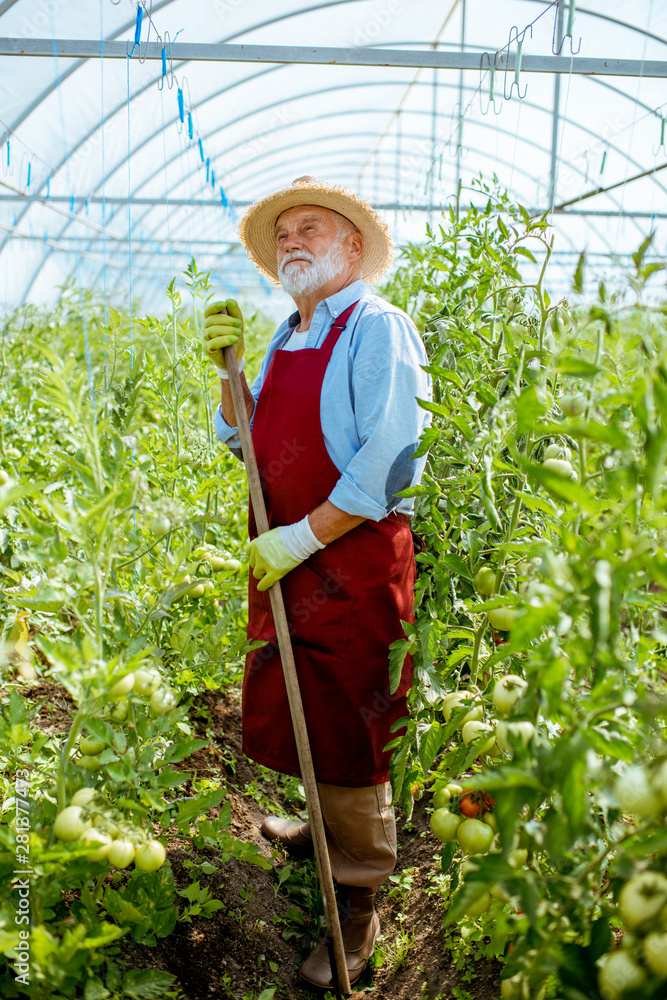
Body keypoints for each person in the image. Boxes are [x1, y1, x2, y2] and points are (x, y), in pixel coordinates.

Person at [202, 176, 431, 989]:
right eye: (283, 233)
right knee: (297, 684)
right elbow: (250, 440)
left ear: (353, 249)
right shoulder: (286, 334)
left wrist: (301, 537)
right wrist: (230, 379)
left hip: (349, 556)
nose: (291, 240)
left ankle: (358, 898)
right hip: (290, 553)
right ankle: (320, 826)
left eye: (310, 228)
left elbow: (392, 457)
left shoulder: (377, 328)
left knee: (351, 714)